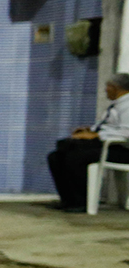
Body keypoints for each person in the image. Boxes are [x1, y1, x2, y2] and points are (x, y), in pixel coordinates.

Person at [46, 71, 129, 211]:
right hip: (109, 146)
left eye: (108, 86)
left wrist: (97, 135)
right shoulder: (116, 105)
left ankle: (81, 202)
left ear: (116, 87)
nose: (105, 90)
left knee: (75, 157)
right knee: (56, 156)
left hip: (122, 150)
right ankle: (68, 200)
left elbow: (126, 132)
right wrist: (89, 129)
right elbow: (110, 126)